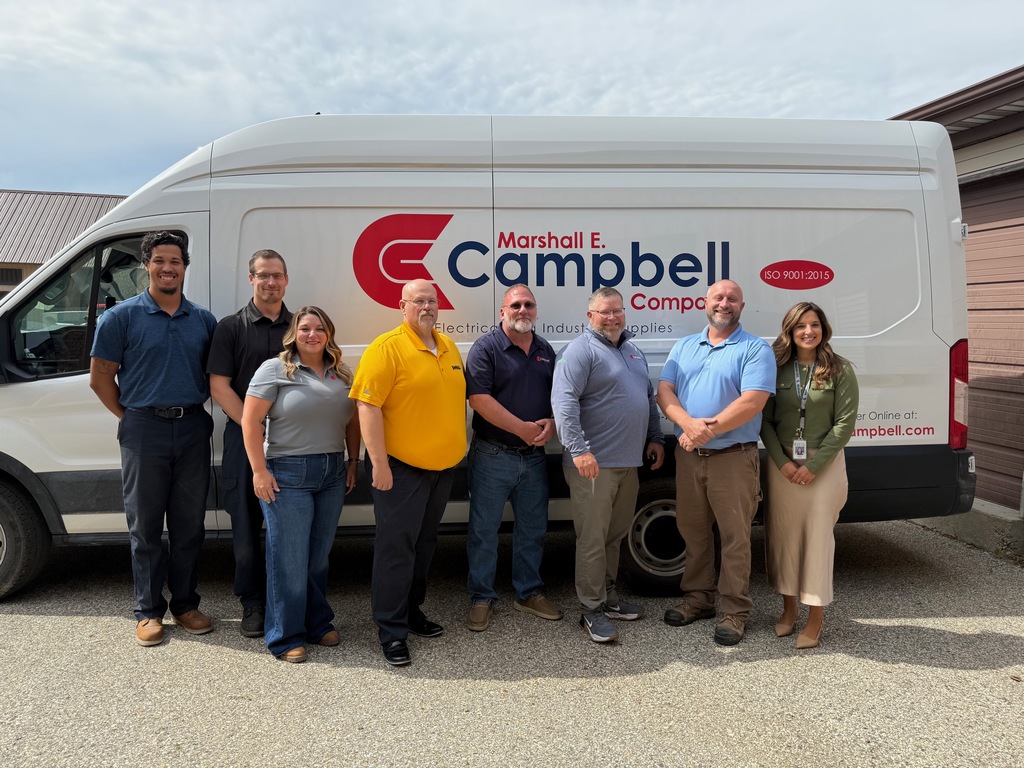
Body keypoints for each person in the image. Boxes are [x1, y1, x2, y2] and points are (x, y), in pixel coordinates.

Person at [89, 231, 218, 646]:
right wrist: (132, 417)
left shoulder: (203, 320)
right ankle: (147, 611)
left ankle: (185, 604)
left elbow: (215, 377)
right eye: (160, 260)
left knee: (189, 525)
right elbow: (100, 378)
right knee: (144, 526)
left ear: (184, 267)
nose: (168, 268)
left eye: (175, 261)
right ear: (146, 265)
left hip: (193, 426)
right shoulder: (120, 318)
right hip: (143, 429)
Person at [350, 279, 466, 667]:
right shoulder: (386, 348)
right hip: (400, 470)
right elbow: (367, 407)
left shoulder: (448, 346)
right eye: (419, 301)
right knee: (396, 549)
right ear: (403, 306)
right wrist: (379, 464)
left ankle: (412, 612)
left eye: (432, 300)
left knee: (424, 545)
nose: (427, 307)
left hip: (441, 470)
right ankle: (391, 631)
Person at [656, 279, 775, 646]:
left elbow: (752, 401)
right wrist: (688, 425)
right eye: (718, 297)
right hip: (689, 457)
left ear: (742, 306)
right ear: (704, 303)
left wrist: (705, 430)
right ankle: (698, 600)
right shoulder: (684, 346)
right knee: (693, 531)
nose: (724, 303)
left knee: (735, 538)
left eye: (732, 299)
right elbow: (665, 391)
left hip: (733, 459)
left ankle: (735, 611)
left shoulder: (755, 349)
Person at [241, 306, 360, 663]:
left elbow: (353, 422)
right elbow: (250, 422)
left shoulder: (342, 373)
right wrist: (259, 471)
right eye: (305, 328)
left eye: (319, 328)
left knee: (318, 557)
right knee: (289, 559)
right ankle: (285, 635)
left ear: (329, 333)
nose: (312, 334)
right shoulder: (275, 369)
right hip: (286, 474)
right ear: (294, 334)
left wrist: (353, 461)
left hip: (332, 472)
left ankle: (317, 623)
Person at [551, 287, 665, 644]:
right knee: (592, 539)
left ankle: (608, 596)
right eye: (604, 312)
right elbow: (564, 403)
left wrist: (656, 437)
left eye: (617, 310)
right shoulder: (579, 351)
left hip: (628, 463)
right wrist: (579, 450)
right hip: (592, 466)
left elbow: (647, 398)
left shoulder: (632, 351)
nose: (612, 317)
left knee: (614, 536)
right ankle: (591, 609)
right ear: (591, 316)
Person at [760, 302, 859, 650]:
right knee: (784, 537)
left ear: (823, 329)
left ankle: (815, 617)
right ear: (790, 330)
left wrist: (813, 467)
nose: (808, 331)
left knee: (818, 539)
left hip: (823, 466)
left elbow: (844, 424)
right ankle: (788, 610)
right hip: (782, 465)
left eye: (814, 324)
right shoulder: (775, 368)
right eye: (801, 325)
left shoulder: (839, 369)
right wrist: (783, 463)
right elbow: (764, 421)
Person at [464, 284, 561, 632]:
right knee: (484, 530)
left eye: (529, 305)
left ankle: (528, 592)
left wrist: (552, 422)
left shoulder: (545, 350)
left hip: (533, 456)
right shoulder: (486, 348)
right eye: (515, 305)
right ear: (502, 312)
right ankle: (481, 596)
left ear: (536, 311)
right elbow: (478, 399)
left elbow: (558, 396)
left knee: (533, 529)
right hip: (493, 454)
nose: (523, 310)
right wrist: (522, 429)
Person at [207, 249, 293, 638]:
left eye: (277, 275)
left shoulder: (301, 327)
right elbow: (219, 386)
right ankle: (253, 604)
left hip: (293, 441)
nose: (271, 282)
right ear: (251, 279)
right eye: (263, 275)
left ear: (286, 280)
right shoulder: (230, 327)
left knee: (289, 525)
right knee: (245, 524)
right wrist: (253, 426)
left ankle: (285, 599)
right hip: (244, 439)